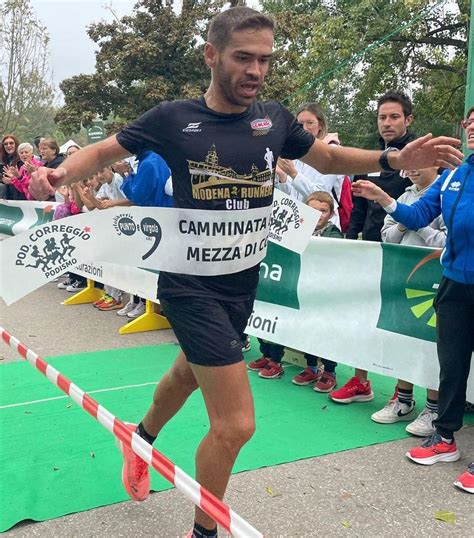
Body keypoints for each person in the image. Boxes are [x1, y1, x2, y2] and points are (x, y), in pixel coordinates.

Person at [30, 7, 463, 534]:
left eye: (264, 59)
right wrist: (60, 172)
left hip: (242, 282)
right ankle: (203, 531)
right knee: (235, 424)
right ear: (212, 56)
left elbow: (326, 159)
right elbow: (103, 149)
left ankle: (138, 435)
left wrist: (391, 160)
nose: (255, 70)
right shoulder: (173, 118)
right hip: (189, 286)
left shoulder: (275, 119)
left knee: (191, 370)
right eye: (243, 57)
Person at [351, 105, 474, 494]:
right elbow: (418, 213)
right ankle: (444, 439)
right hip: (454, 285)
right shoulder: (455, 175)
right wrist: (382, 198)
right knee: (451, 364)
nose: (471, 124)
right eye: (469, 119)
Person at [332, 91, 416, 403]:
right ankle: (360, 382)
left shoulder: (418, 156)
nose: (387, 123)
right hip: (369, 249)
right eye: (382, 117)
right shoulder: (370, 158)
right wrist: (349, 239)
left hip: (405, 253)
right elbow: (358, 207)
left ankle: (402, 390)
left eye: (394, 117)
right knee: (362, 316)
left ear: (408, 120)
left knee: (401, 323)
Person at [370, 166, 446, 437]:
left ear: (435, 163)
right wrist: (404, 221)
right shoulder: (403, 196)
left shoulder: (446, 194)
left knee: (430, 344)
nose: (412, 167)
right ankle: (403, 400)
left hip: (433, 282)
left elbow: (447, 241)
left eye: (420, 161)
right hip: (402, 279)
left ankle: (434, 408)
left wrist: (419, 224)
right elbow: (387, 235)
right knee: (403, 338)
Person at [275, 102, 347, 230]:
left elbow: (322, 196)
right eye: (300, 124)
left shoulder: (330, 151)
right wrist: (282, 178)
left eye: (310, 123)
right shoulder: (295, 152)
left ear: (320, 125)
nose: (305, 128)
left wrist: (293, 174)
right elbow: (291, 195)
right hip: (297, 223)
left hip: (322, 226)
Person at [0, 134, 22, 199]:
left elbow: (25, 179)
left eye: (11, 143)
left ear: (16, 145)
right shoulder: (3, 160)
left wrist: (12, 180)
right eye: (6, 144)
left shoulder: (22, 159)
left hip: (19, 194)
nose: (8, 145)